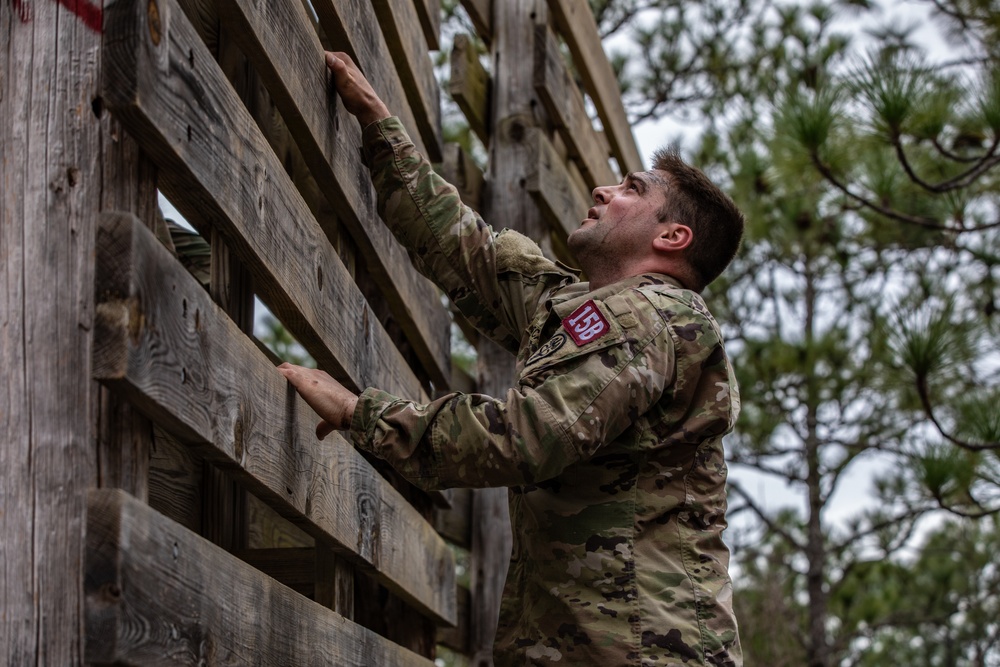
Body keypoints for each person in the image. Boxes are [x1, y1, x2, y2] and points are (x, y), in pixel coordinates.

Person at [278, 51, 745, 667]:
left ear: (671, 237)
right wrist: (379, 125)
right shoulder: (584, 309)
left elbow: (527, 436)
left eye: (633, 190)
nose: (604, 190)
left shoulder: (650, 315)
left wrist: (361, 413)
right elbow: (468, 250)